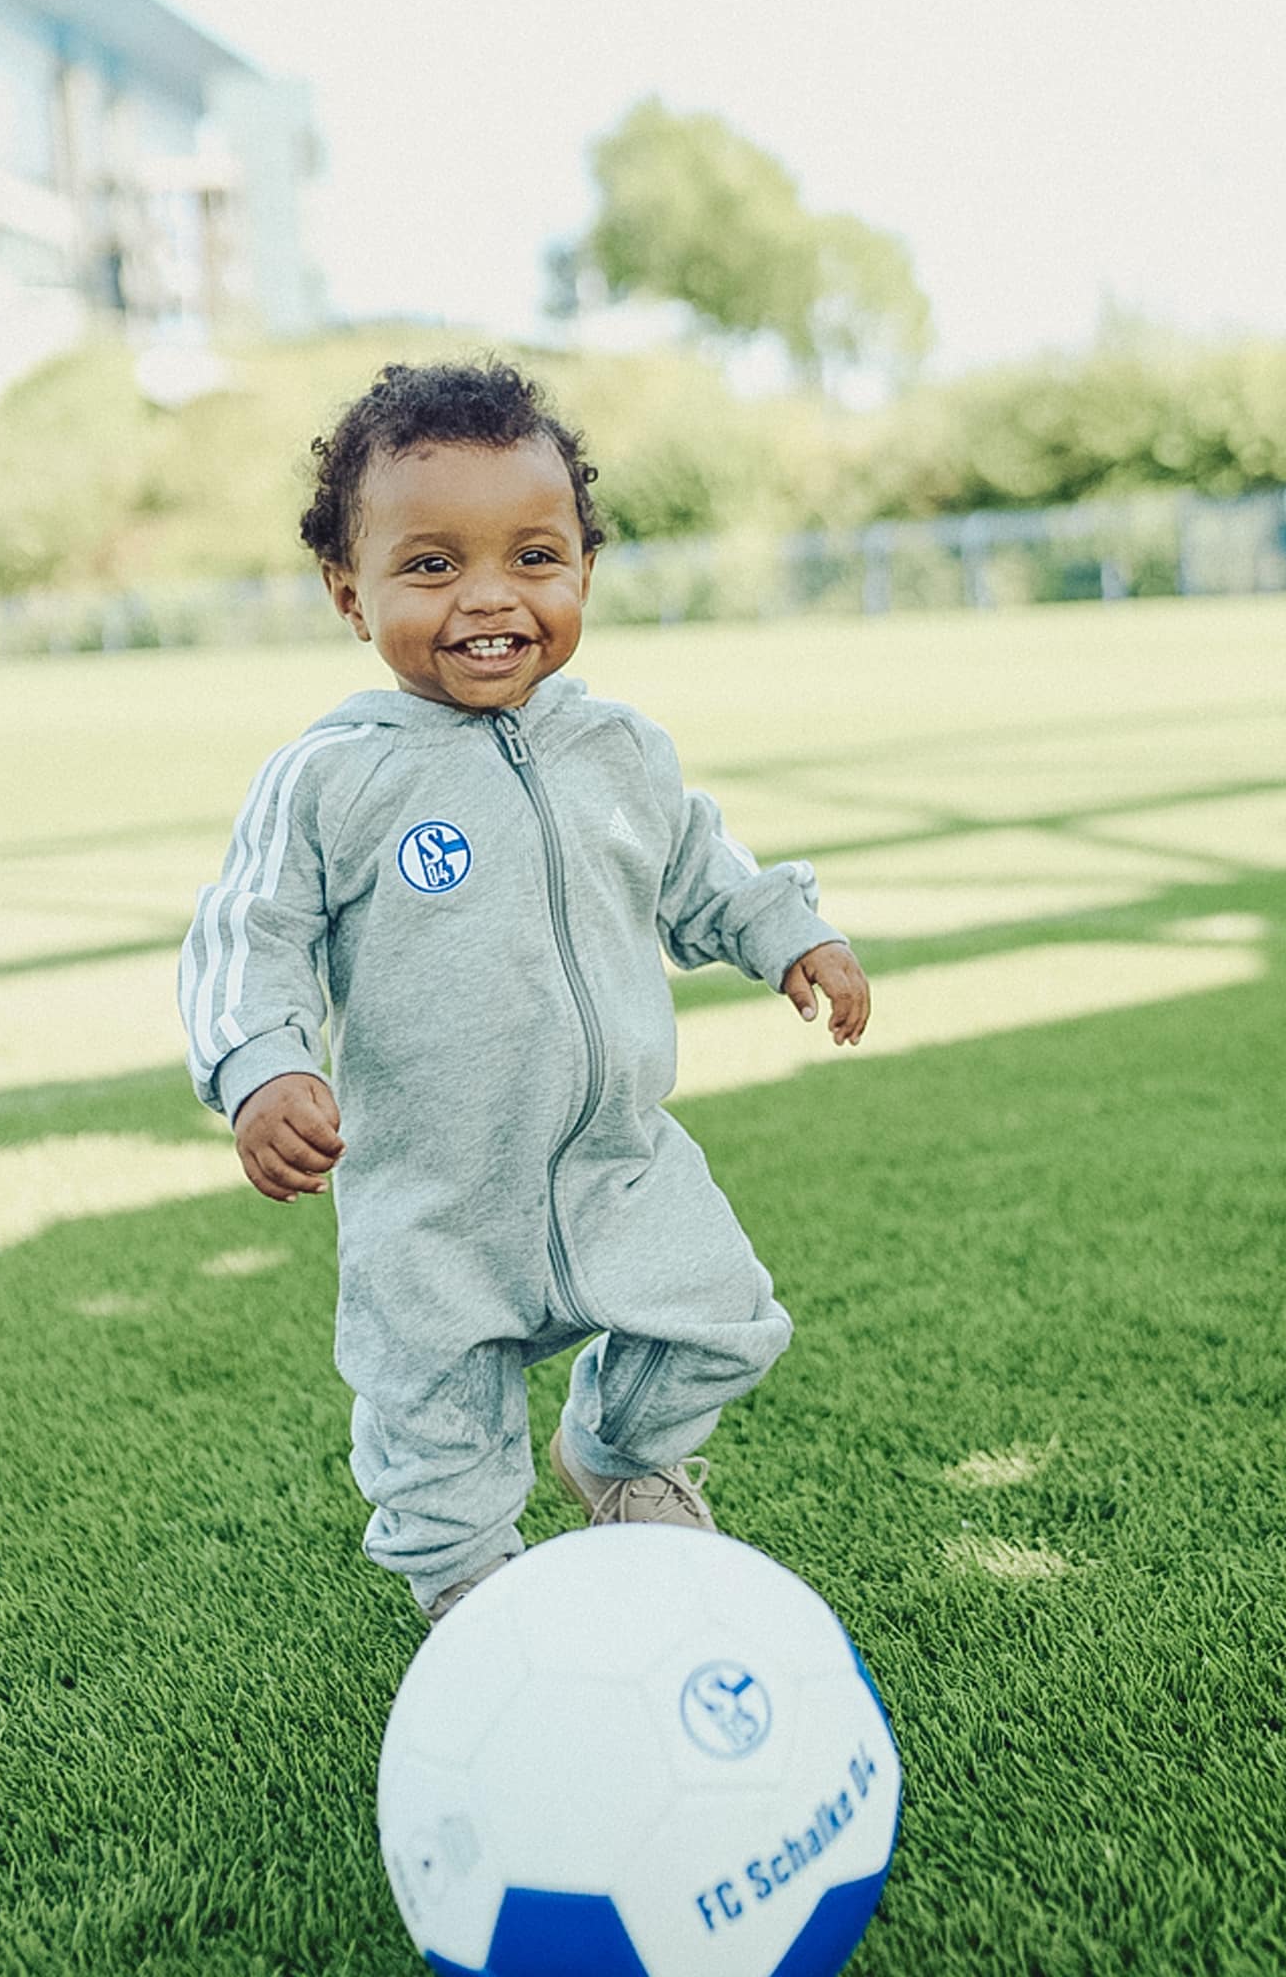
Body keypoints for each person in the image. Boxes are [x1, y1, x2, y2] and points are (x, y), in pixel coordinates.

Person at [178, 360, 870, 1624]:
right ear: (351, 591)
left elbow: (698, 870)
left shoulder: (618, 750)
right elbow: (247, 936)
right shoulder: (331, 778)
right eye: (432, 565)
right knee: (435, 1424)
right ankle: (470, 1595)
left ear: (583, 573)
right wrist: (261, 1067)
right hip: (435, 1190)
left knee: (721, 1320)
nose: (489, 597)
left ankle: (611, 1454)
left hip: (616, 1157)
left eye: (534, 557)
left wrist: (788, 936)